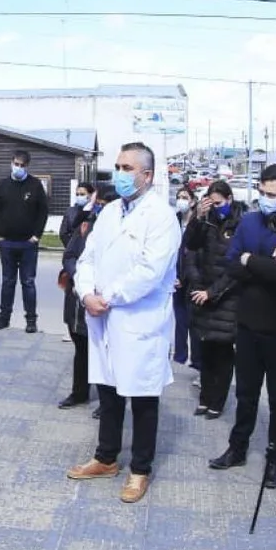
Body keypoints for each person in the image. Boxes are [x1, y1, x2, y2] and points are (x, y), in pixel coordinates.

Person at [65, 143, 181, 504]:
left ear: (146, 175)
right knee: (110, 390)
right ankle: (106, 457)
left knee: (143, 396)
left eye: (127, 167)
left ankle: (140, 469)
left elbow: (150, 271)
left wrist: (109, 297)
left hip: (138, 319)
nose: (119, 173)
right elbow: (88, 258)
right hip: (103, 315)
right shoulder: (111, 211)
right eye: (117, 166)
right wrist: (86, 294)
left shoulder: (162, 217)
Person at [209, 164, 276, 490]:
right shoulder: (250, 221)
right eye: (262, 193)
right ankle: (237, 448)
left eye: (272, 195)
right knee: (246, 392)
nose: (266, 199)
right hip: (248, 321)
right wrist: (257, 263)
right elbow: (231, 264)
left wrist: (252, 261)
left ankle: (275, 458)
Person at [184, 181, 243, 417]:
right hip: (203, 295)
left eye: (218, 203)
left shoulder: (239, 223)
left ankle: (217, 401)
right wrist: (197, 217)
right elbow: (191, 246)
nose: (215, 207)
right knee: (205, 348)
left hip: (226, 297)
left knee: (223, 352)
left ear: (229, 199)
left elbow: (237, 268)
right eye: (211, 202)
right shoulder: (206, 221)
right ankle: (205, 398)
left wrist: (213, 291)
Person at [58, 185, 118, 411]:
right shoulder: (86, 224)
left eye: (103, 205)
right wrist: (78, 275)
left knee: (104, 353)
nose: (99, 208)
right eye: (98, 204)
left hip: (100, 297)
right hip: (78, 296)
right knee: (81, 348)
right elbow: (70, 255)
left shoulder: (118, 231)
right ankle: (79, 392)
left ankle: (107, 402)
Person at [0, 149, 49, 333]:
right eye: (16, 164)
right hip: (7, 242)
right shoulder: (3, 185)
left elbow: (43, 212)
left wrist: (36, 236)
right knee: (7, 281)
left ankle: (31, 320)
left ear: (27, 166)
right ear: (11, 163)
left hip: (28, 244)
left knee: (28, 282)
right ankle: (3, 318)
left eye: (22, 165)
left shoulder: (35, 185)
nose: (19, 168)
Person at [171, 188, 201, 371]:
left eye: (185, 198)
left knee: (194, 321)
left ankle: (197, 360)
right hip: (175, 279)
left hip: (191, 279)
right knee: (180, 319)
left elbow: (194, 253)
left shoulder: (197, 223)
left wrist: (185, 277)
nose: (181, 201)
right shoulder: (174, 220)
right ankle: (180, 355)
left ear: (192, 201)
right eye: (178, 197)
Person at [59, 181, 96, 246]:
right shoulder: (70, 211)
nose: (79, 196)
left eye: (82, 194)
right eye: (77, 194)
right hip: (73, 248)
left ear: (90, 195)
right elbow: (63, 233)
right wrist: (72, 246)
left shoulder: (95, 212)